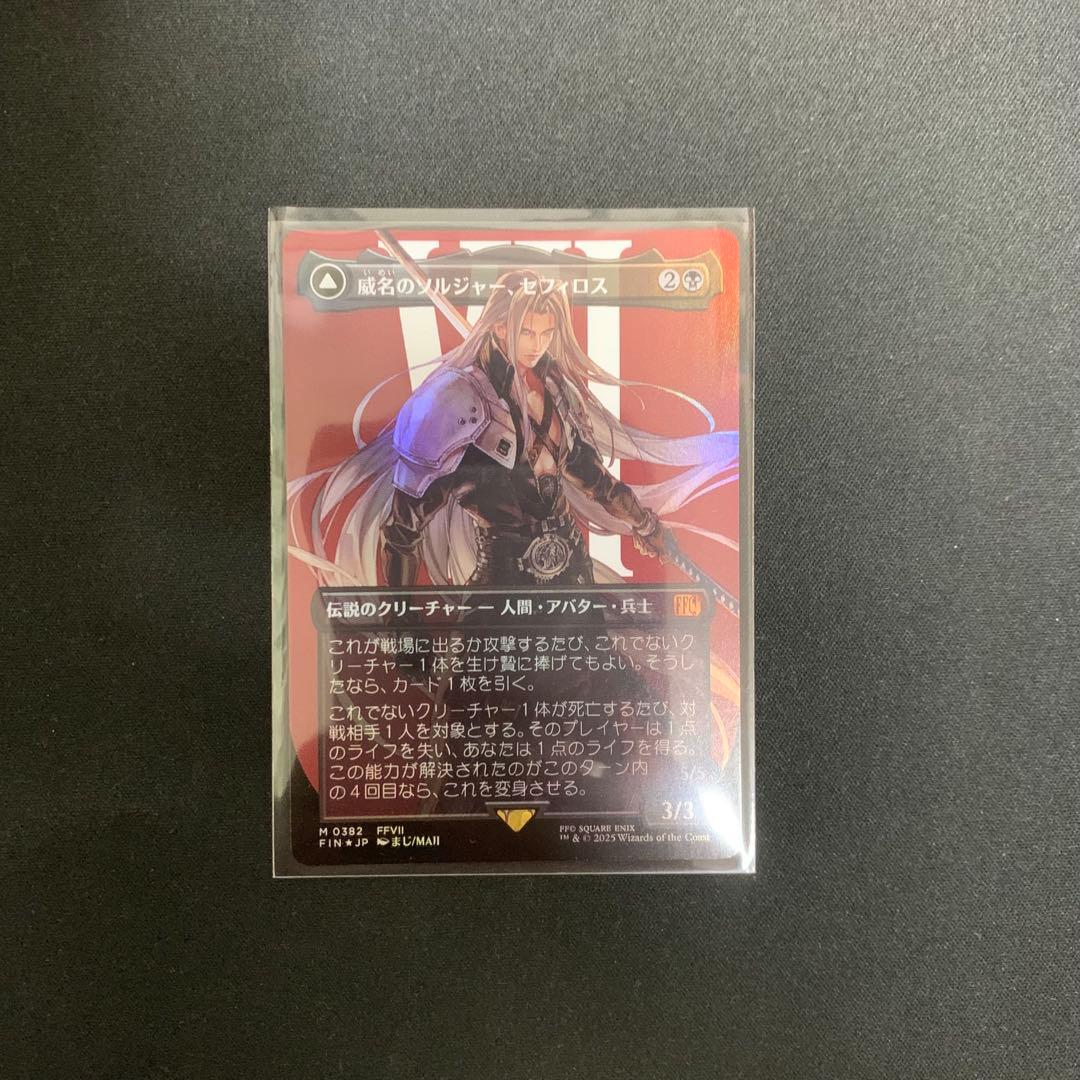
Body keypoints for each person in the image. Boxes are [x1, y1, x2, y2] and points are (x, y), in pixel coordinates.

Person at [288, 269, 738, 590]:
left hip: (573, 581)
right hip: (502, 588)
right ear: (501, 327)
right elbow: (404, 529)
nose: (537, 346)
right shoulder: (454, 403)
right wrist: (402, 627)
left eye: (545, 333)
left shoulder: (554, 391)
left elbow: (591, 476)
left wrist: (643, 522)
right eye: (527, 333)